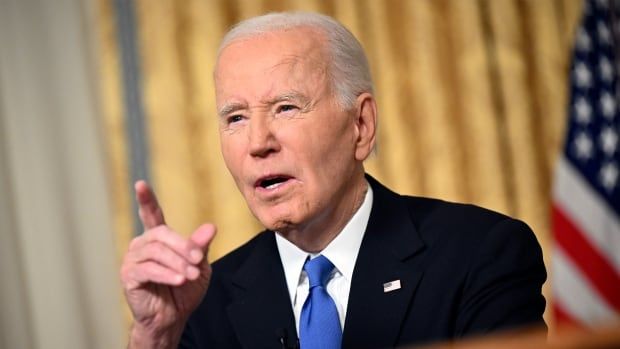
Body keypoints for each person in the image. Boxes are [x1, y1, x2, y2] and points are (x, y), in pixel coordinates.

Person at [120, 12, 546, 349]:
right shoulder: (200, 304)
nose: (257, 143)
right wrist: (155, 337)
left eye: (286, 108)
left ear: (360, 125)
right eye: (235, 117)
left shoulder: (480, 254)